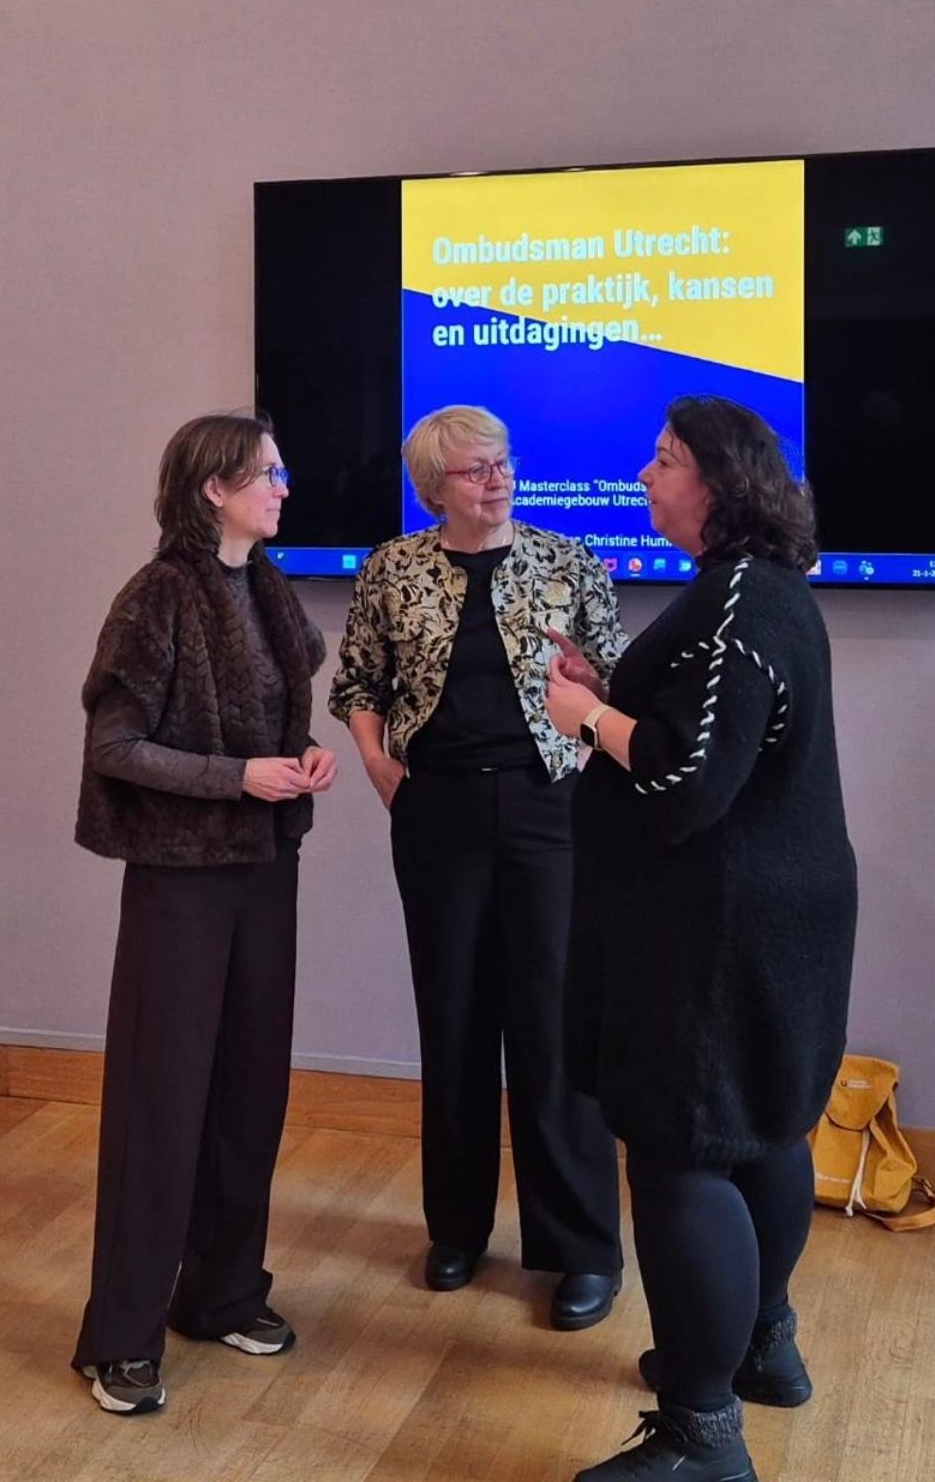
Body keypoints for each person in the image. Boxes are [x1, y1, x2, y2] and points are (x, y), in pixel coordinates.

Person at [547, 396, 857, 1482]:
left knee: (681, 1152)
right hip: (773, 918)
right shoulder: (764, 592)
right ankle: (759, 1345)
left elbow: (682, 780)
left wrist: (586, 719)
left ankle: (700, 1436)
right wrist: (609, 692)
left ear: (720, 485)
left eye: (664, 459)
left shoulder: (733, 602)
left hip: (713, 931)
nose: (643, 474)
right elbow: (706, 735)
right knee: (762, 1133)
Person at [329, 404, 625, 1330]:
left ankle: (579, 1249)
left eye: (502, 463)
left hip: (548, 810)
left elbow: (615, 679)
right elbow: (358, 683)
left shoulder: (568, 560)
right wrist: (375, 763)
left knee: (553, 1025)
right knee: (453, 1019)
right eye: (474, 470)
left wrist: (588, 713)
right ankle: (455, 1229)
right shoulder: (391, 568)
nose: (497, 480)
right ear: (433, 488)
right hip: (438, 812)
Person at [71, 410, 336, 1415]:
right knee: (162, 1101)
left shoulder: (265, 587)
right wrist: (238, 777)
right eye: (267, 473)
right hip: (181, 876)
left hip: (265, 866)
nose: (283, 487)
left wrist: (300, 762)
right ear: (213, 489)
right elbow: (115, 746)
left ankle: (221, 1293)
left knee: (249, 1090)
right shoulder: (156, 597)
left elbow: (272, 723)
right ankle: (121, 1338)